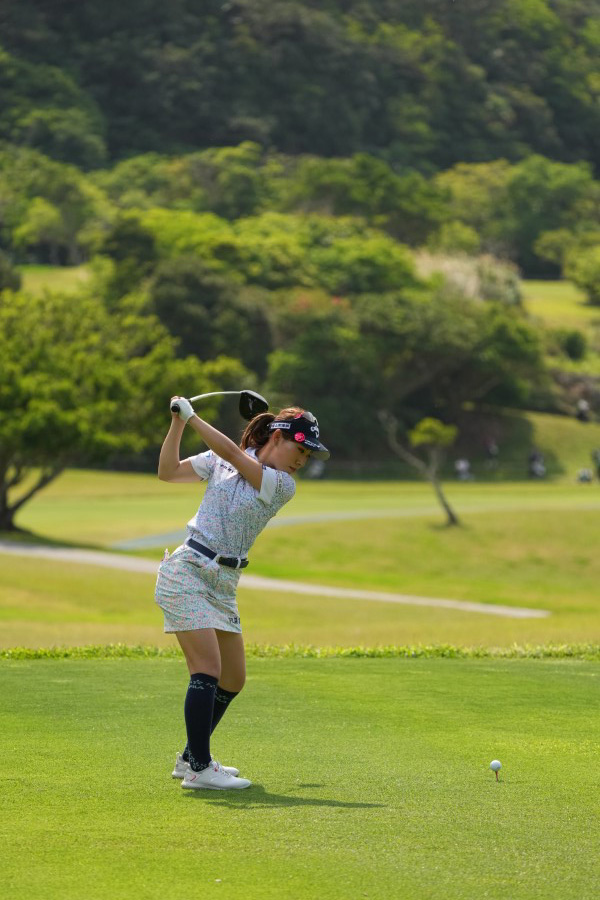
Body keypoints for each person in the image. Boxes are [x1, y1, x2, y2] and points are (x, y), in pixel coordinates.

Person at [155, 398, 330, 791]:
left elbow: (233, 453)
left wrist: (193, 417)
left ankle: (190, 756)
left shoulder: (282, 485)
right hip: (187, 571)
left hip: (224, 583)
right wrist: (178, 423)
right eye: (300, 449)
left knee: (233, 678)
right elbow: (168, 472)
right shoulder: (219, 461)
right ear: (278, 437)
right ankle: (199, 769)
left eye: (307, 454)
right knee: (207, 669)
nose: (302, 460)